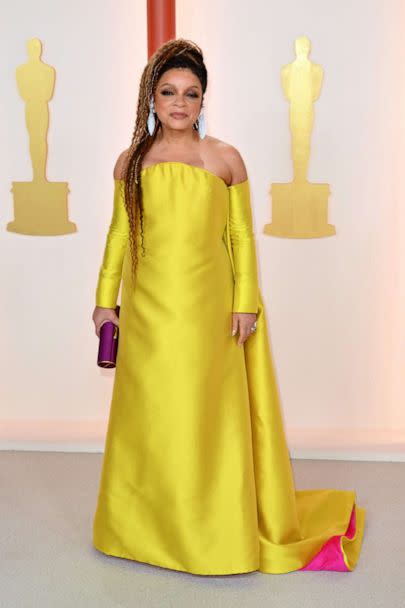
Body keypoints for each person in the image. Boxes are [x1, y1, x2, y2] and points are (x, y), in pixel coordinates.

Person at [92, 38, 365, 576]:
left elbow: (241, 235)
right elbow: (119, 233)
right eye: (168, 92)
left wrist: (246, 302)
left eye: (190, 94)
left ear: (202, 101)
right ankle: (144, 528)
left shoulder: (224, 159)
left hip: (208, 309)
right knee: (151, 418)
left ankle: (208, 526)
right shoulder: (132, 161)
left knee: (203, 415)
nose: (178, 103)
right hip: (147, 311)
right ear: (152, 98)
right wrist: (105, 302)